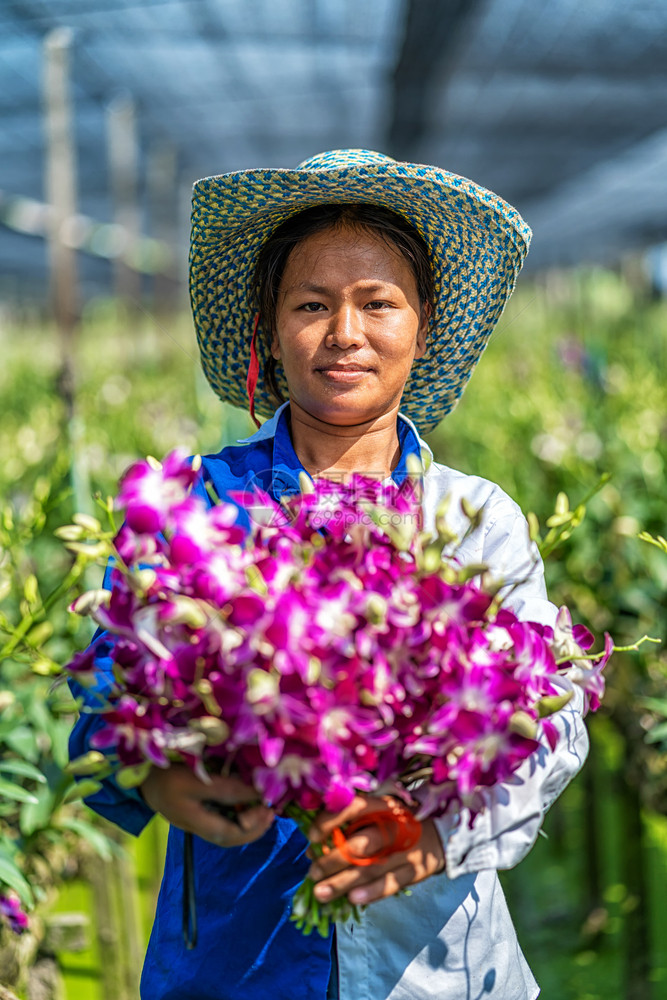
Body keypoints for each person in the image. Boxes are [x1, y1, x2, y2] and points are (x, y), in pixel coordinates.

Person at [69, 149, 589, 999]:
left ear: (423, 326)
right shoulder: (198, 506)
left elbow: (552, 715)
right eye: (311, 305)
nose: (345, 333)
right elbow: (105, 679)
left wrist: (433, 836)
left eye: (377, 303)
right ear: (269, 330)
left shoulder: (472, 519)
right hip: (236, 960)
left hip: (432, 966)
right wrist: (159, 774)